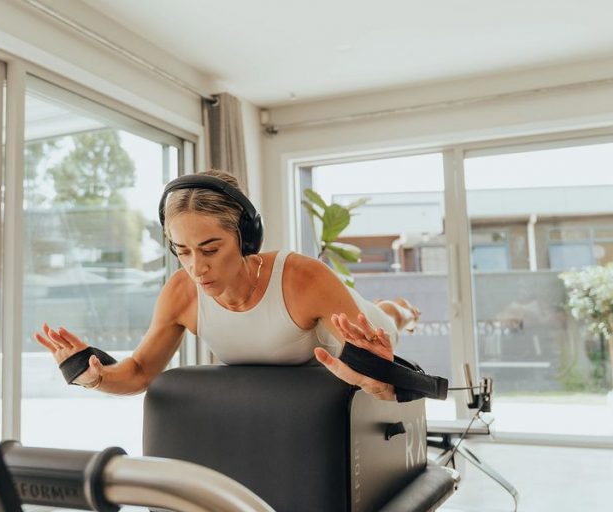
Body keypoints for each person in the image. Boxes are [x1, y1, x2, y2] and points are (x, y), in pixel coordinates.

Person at [33, 170, 420, 401]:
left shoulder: (303, 278)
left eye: (210, 248)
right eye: (182, 251)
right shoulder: (181, 292)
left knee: (387, 319)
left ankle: (400, 309)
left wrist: (379, 381)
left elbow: (379, 380)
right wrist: (93, 374)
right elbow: (138, 371)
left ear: (246, 238)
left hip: (358, 327)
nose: (197, 268)